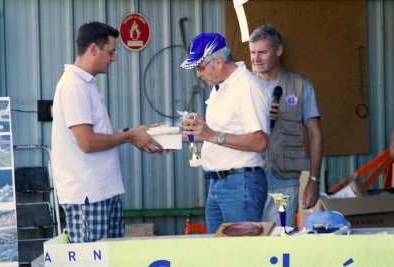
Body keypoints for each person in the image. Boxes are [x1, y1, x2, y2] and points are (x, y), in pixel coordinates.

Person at [51, 21, 163, 243]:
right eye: (110, 52)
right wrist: (130, 136)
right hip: (88, 195)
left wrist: (135, 133)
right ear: (93, 49)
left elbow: (98, 132)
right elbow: (87, 142)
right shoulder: (74, 86)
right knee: (94, 260)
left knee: (111, 258)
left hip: (101, 191)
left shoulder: (86, 84)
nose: (114, 58)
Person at [180, 32, 270, 234]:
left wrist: (212, 135)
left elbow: (260, 141)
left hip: (240, 184)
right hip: (219, 183)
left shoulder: (246, 87)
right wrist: (169, 139)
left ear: (218, 62)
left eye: (200, 67)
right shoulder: (220, 88)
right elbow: (210, 134)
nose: (198, 74)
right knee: (221, 255)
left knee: (242, 256)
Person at [248, 24, 323, 228]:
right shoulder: (244, 85)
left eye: (262, 52)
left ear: (278, 50)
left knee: (281, 238)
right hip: (249, 179)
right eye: (253, 52)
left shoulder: (300, 85)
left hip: (285, 180)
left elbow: (315, 134)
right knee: (248, 245)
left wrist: (314, 180)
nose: (256, 59)